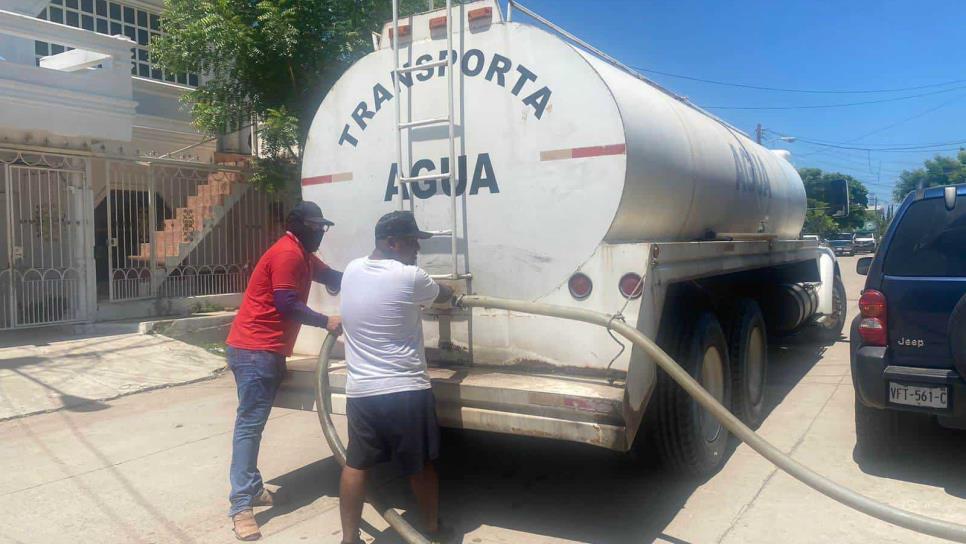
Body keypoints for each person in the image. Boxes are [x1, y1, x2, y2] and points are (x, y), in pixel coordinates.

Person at [225, 201, 343, 541]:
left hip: (265, 350)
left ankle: (251, 487)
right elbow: (286, 304)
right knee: (249, 426)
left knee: (254, 425)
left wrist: (373, 277)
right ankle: (241, 506)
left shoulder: (303, 254)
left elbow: (330, 277)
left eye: (324, 227)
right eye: (316, 226)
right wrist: (326, 321)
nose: (321, 232)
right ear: (300, 226)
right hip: (254, 350)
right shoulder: (288, 254)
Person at [338, 211, 455, 544]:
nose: (417, 247)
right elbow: (441, 294)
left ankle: (349, 539)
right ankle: (432, 529)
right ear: (392, 243)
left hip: (361, 391)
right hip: (404, 390)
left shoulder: (352, 269)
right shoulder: (411, 276)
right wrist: (448, 290)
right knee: (419, 465)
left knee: (356, 464)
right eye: (412, 241)